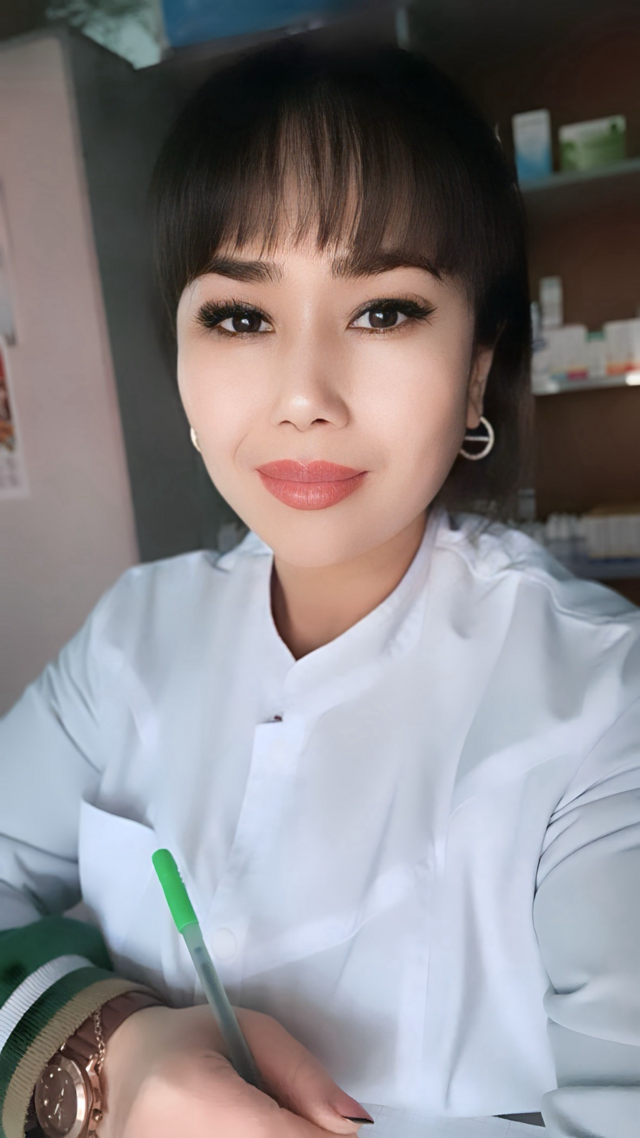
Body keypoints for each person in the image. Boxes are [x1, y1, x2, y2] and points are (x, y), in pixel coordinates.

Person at [0, 36, 638, 1138]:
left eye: (383, 310)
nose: (303, 395)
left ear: (477, 368)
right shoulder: (131, 636)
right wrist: (102, 1047)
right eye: (239, 317)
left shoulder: (598, 699)